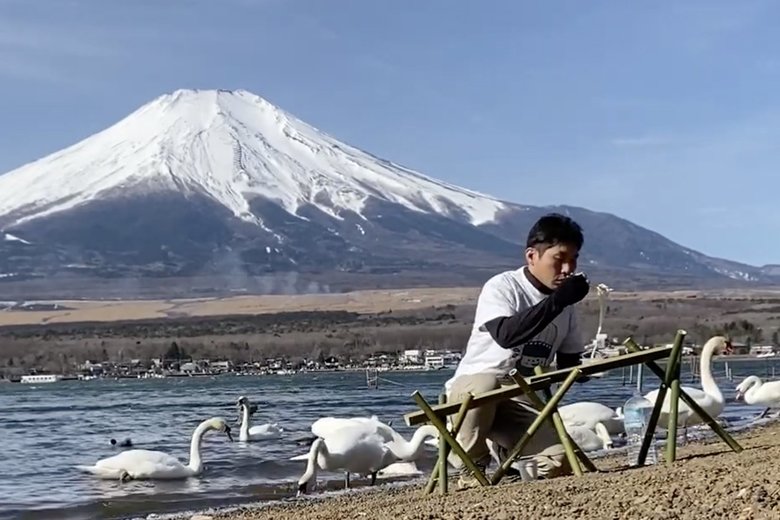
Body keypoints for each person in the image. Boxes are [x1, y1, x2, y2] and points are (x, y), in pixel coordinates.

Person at [445, 212, 591, 488]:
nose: (567, 269)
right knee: (485, 384)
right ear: (532, 256)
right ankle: (469, 466)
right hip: (474, 393)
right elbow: (506, 335)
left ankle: (508, 458)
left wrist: (589, 368)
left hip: (521, 396)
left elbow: (569, 363)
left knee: (558, 464)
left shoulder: (567, 307)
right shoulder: (503, 287)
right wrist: (558, 302)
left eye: (573, 260)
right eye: (559, 260)